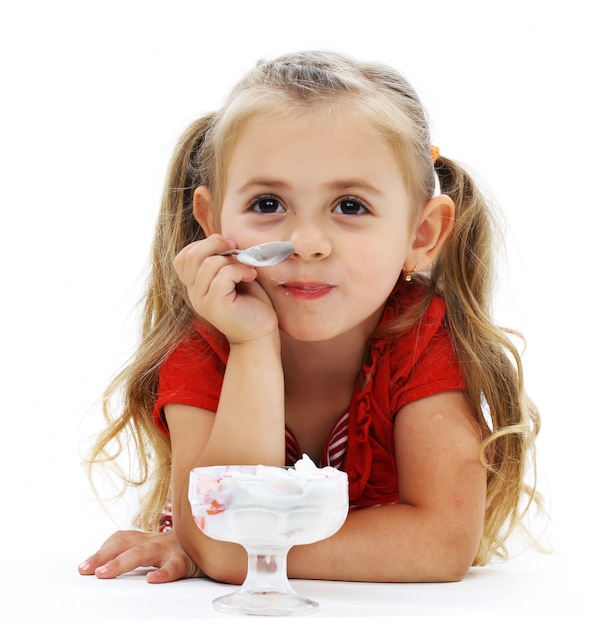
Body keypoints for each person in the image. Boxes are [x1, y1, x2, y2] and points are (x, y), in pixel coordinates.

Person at [79, 50, 541, 585]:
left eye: (350, 206)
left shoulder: (422, 336)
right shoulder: (206, 342)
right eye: (268, 203)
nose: (305, 243)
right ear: (211, 221)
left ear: (420, 237)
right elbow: (221, 537)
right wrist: (252, 347)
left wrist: (230, 552)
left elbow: (440, 546)